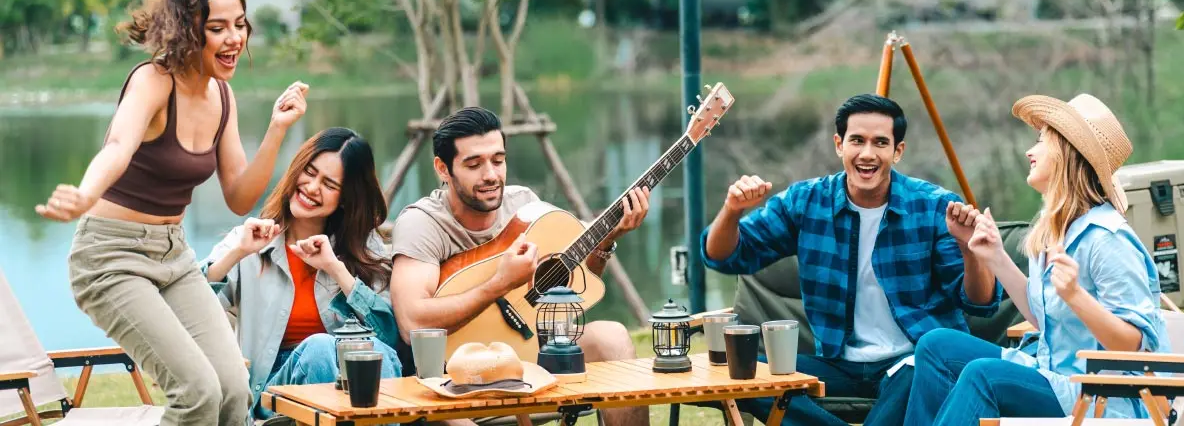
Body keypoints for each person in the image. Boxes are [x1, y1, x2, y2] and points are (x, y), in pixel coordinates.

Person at [34, 0, 309, 425]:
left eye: (240, 24)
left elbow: (239, 197)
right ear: (188, 29)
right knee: (197, 393)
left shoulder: (222, 95)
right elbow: (117, 146)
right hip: (110, 258)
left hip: (173, 256)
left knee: (233, 389)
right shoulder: (153, 80)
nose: (234, 38)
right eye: (217, 27)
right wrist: (85, 194)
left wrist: (277, 129)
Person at [699, 94, 1002, 426]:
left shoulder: (934, 207)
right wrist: (732, 210)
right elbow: (724, 257)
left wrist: (969, 250)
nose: (867, 154)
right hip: (837, 364)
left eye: (880, 143)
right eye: (857, 140)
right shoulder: (806, 202)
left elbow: (981, 302)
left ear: (898, 151)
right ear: (839, 145)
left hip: (914, 361)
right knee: (741, 374)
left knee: (928, 368)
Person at [902, 93, 1170, 425]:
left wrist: (1076, 296)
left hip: (1101, 397)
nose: (1030, 151)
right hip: (1052, 375)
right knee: (936, 345)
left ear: (1067, 153)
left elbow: (1135, 346)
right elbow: (1044, 317)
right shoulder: (1059, 229)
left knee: (983, 376)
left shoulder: (1107, 239)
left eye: (1042, 141)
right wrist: (995, 256)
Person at [389, 107, 651, 426]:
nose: (490, 175)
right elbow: (413, 323)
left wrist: (605, 243)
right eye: (474, 164)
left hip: (526, 357)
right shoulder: (423, 223)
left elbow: (572, 290)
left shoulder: (524, 205)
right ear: (443, 168)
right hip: (448, 382)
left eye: (498, 160)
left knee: (613, 337)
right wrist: (499, 284)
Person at [200, 128, 403, 424]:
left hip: (351, 385)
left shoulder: (365, 247)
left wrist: (336, 269)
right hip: (275, 392)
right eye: (309, 172)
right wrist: (238, 253)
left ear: (345, 198)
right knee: (319, 348)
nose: (312, 187)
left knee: (374, 354)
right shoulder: (249, 241)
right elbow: (190, 306)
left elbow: (390, 337)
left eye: (329, 184)